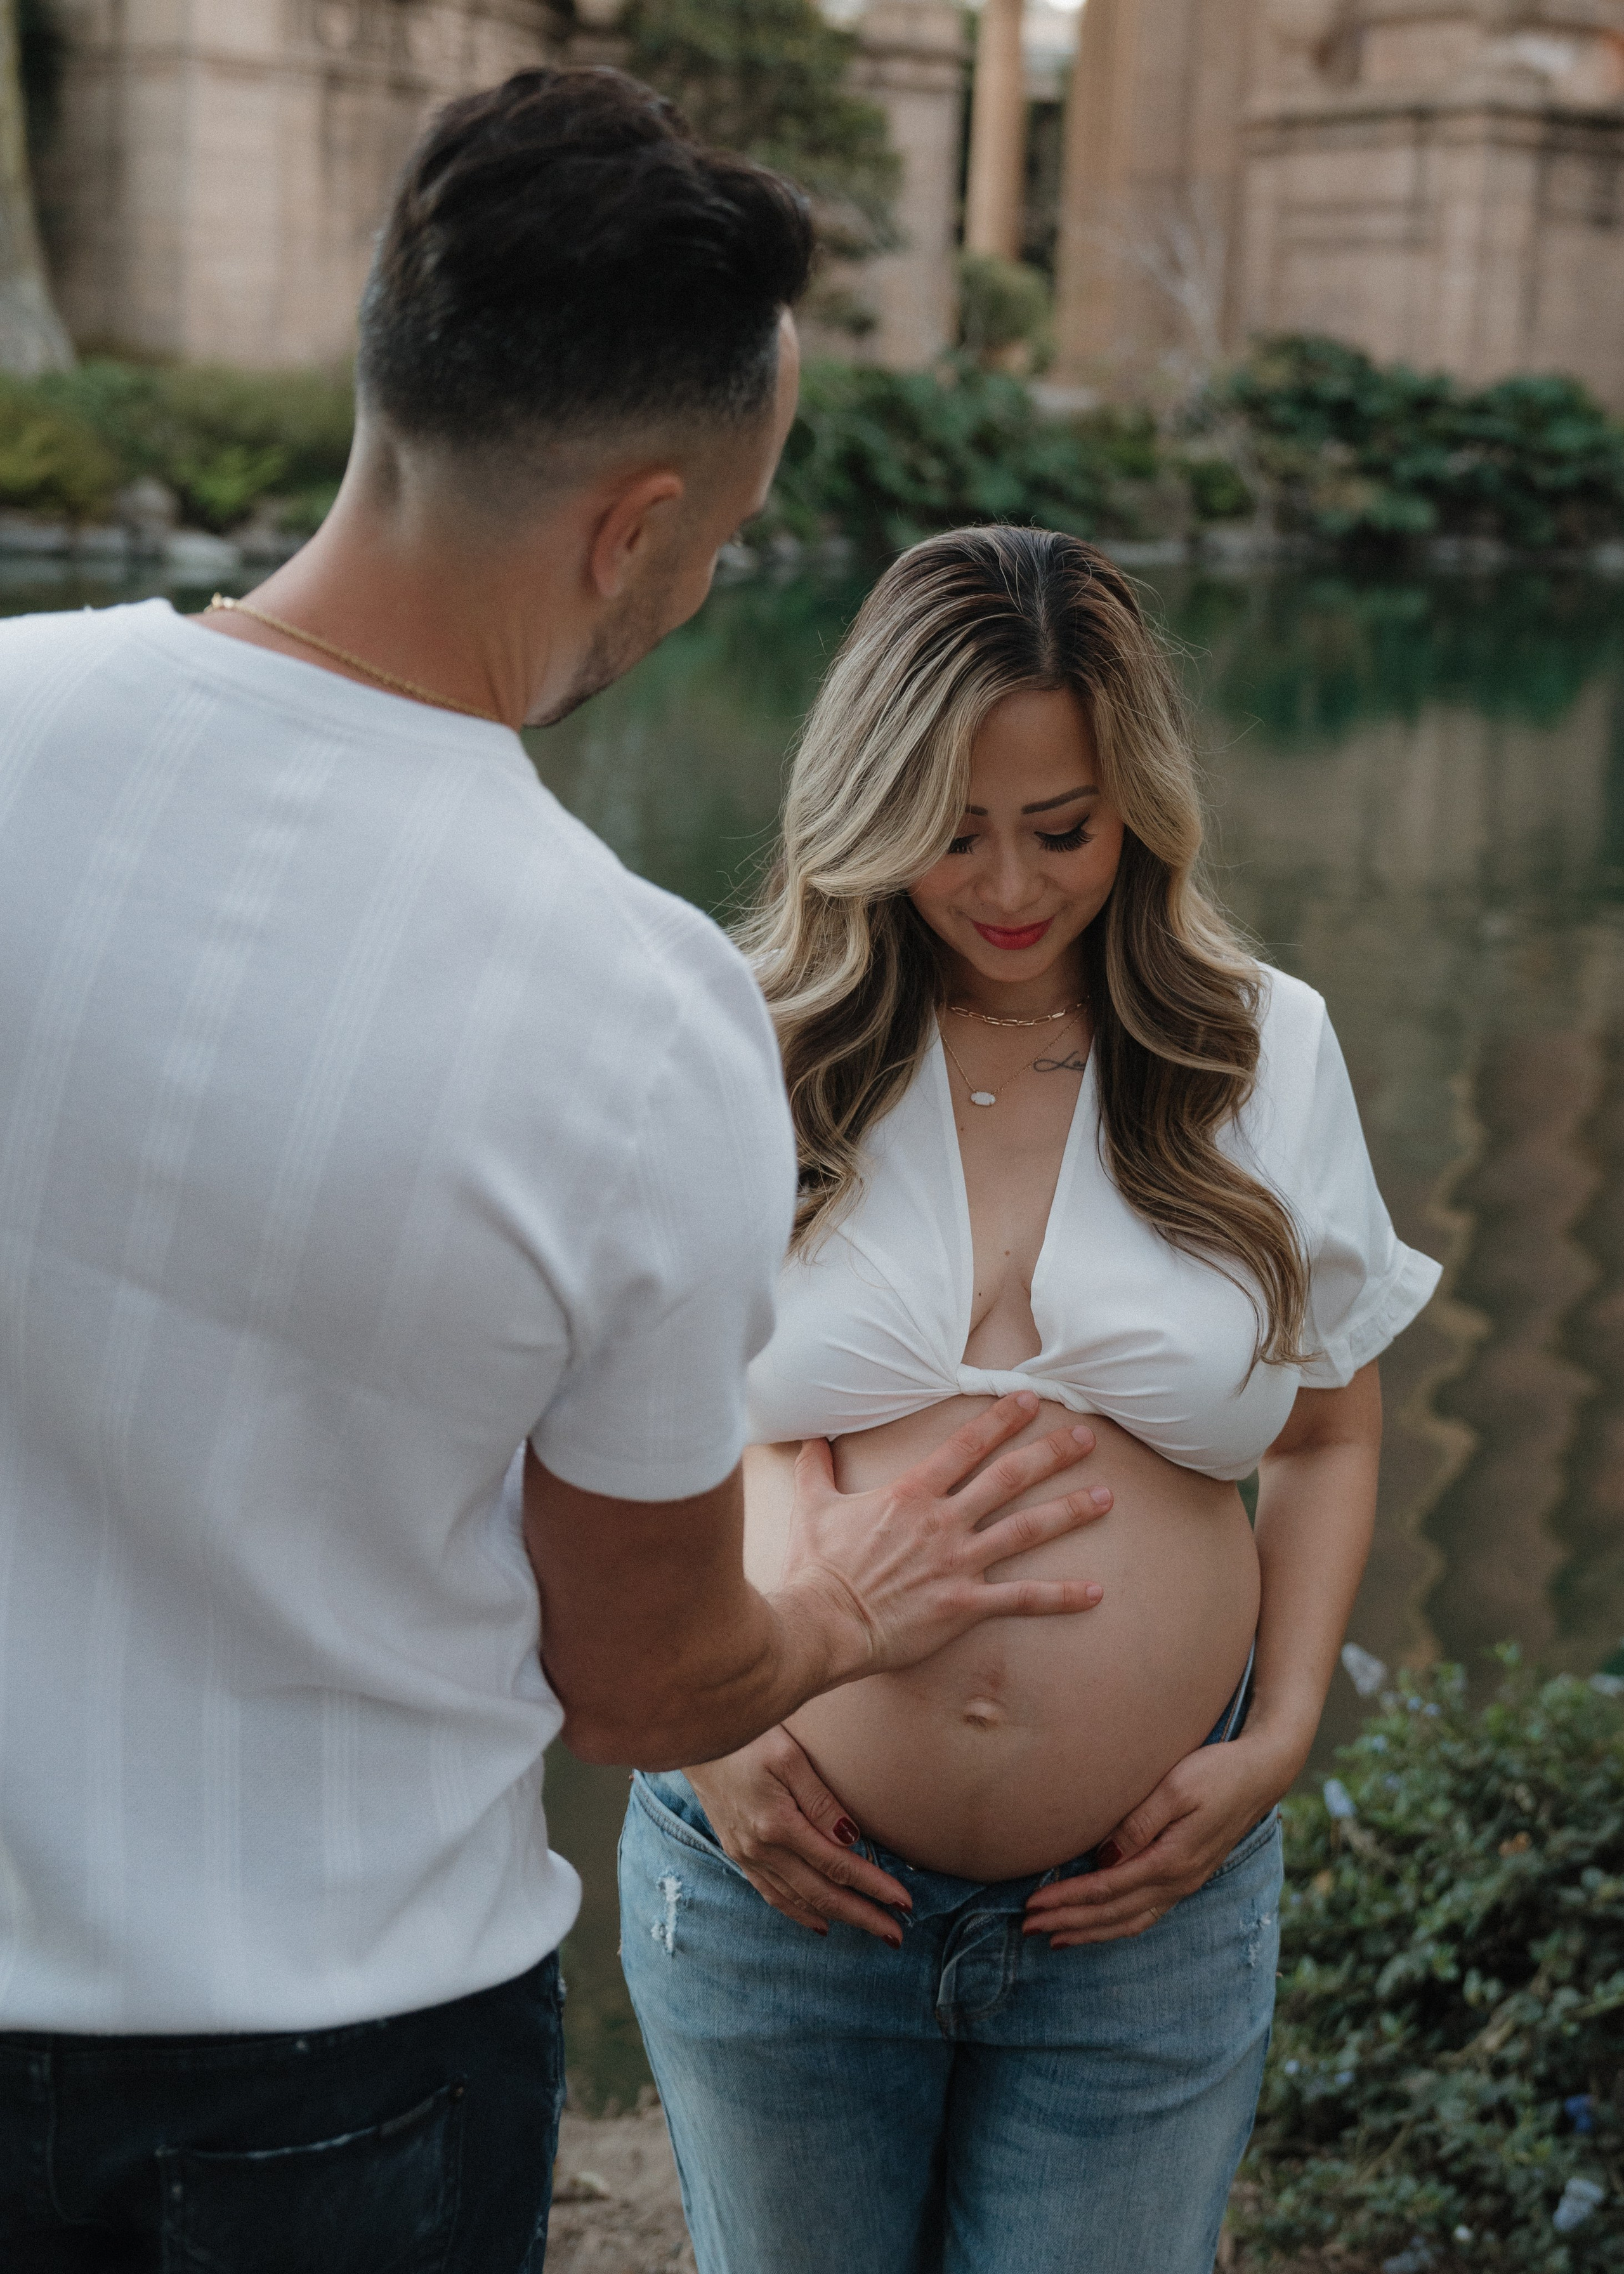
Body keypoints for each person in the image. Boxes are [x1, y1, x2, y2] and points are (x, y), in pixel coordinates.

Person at [0, 79, 1111, 2274]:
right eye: (719, 539)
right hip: (332, 2082)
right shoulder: (634, 1015)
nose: (702, 589)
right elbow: (644, 1679)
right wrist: (849, 1611)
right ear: (633, 530)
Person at [619, 526, 1443, 2274]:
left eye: (1060, 826)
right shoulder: (737, 1041)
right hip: (780, 1883)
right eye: (950, 827)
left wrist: (1277, 1737)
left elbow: (1329, 1428)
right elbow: (601, 1425)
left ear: (1134, 802)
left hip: (1139, 1918)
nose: (1006, 880)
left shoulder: (1257, 1050)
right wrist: (702, 1725)